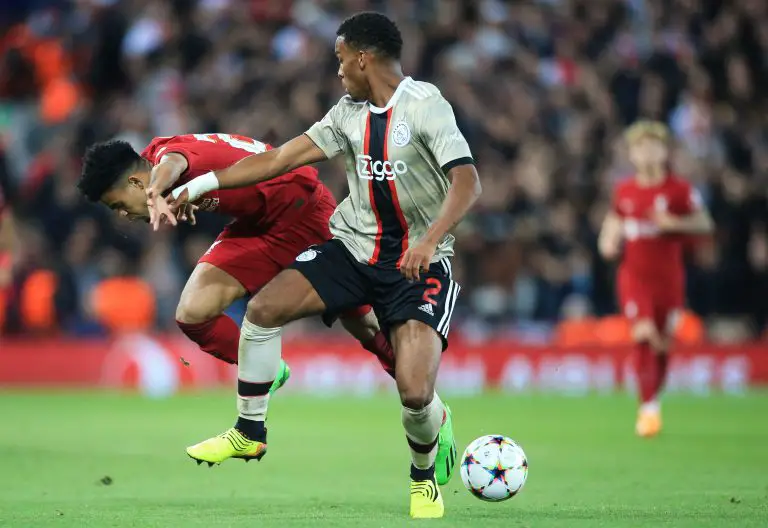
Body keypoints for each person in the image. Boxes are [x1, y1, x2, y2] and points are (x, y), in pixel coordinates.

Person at [163, 12, 480, 519]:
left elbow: (467, 183)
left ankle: (422, 474)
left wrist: (430, 240)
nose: (337, 72)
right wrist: (199, 186)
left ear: (361, 57)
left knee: (415, 392)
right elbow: (278, 160)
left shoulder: (426, 106)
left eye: (339, 61)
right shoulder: (347, 114)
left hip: (416, 266)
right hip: (352, 249)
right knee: (263, 310)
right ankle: (249, 432)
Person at [77, 133, 403, 395]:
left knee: (363, 323)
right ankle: (267, 369)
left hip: (306, 215)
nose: (122, 214)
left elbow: (174, 164)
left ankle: (423, 402)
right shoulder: (156, 153)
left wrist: (157, 190)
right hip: (257, 226)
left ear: (137, 183)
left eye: (118, 204)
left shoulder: (166, 161)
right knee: (192, 312)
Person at [598, 120, 714, 438]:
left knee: (661, 344)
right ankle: (648, 410)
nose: (646, 152)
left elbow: (704, 223)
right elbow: (613, 223)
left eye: (652, 146)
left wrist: (674, 222)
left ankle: (652, 402)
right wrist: (608, 241)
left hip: (669, 280)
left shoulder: (678, 190)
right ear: (632, 155)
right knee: (644, 333)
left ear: (664, 151)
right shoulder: (625, 191)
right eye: (639, 147)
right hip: (634, 277)